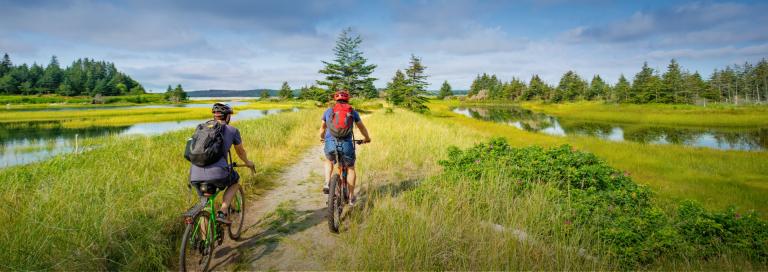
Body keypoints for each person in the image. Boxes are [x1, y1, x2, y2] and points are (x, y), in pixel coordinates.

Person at [189, 103, 255, 224]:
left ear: (215, 116)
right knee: (235, 181)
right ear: (227, 117)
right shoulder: (232, 130)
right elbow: (240, 152)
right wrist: (248, 162)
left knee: (205, 205)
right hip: (217, 173)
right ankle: (223, 212)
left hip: (194, 175)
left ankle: (205, 242)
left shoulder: (201, 128)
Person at [320, 90, 371, 206]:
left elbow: (322, 128)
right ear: (348, 100)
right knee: (350, 168)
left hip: (330, 143)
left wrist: (322, 138)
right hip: (346, 144)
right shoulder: (352, 112)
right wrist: (367, 138)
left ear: (335, 100)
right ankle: (351, 197)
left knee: (329, 160)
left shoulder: (328, 111)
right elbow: (362, 128)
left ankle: (327, 182)